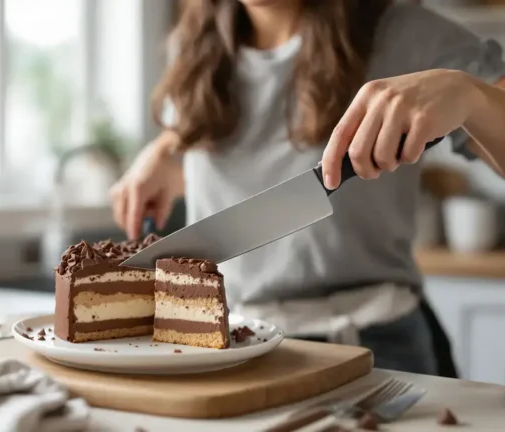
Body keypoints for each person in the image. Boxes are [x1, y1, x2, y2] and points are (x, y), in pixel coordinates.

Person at [111, 0, 505, 376]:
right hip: (227, 345)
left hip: (371, 348)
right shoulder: (193, 47)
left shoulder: (406, 33)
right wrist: (166, 150)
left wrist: (468, 95)